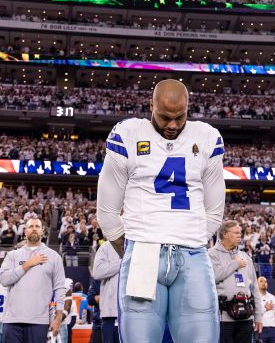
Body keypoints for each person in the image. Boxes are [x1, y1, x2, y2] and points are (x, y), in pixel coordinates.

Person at [96, 79, 226, 343]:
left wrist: (191, 239)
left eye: (180, 117)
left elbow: (215, 210)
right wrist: (135, 248)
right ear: (150, 106)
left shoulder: (207, 136)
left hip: (193, 253)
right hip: (143, 252)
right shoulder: (128, 133)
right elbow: (107, 210)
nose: (173, 125)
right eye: (165, 117)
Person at [0, 216, 67, 343]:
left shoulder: (54, 257)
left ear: (42, 231)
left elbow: (59, 289)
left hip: (39, 321)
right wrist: (27, 264)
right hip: (12, 320)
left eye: (37, 226)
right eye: (31, 226)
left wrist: (58, 318)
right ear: (25, 231)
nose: (34, 229)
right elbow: (4, 279)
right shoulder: (13, 255)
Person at [209, 220, 265, 343]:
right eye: (236, 233)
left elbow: (255, 288)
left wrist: (259, 316)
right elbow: (213, 275)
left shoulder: (245, 256)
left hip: (246, 317)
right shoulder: (211, 254)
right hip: (223, 319)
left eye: (240, 233)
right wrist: (235, 264)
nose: (240, 235)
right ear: (224, 234)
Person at [90, 240, 120, 343]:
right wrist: (122, 262)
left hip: (131, 313)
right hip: (109, 315)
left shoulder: (135, 244)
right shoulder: (106, 247)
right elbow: (97, 272)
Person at [256, 276, 275, 343]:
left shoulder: (273, 298)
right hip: (261, 330)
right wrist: (265, 308)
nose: (264, 283)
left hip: (273, 331)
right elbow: (254, 314)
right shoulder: (255, 298)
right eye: (261, 281)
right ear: (257, 284)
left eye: (265, 281)